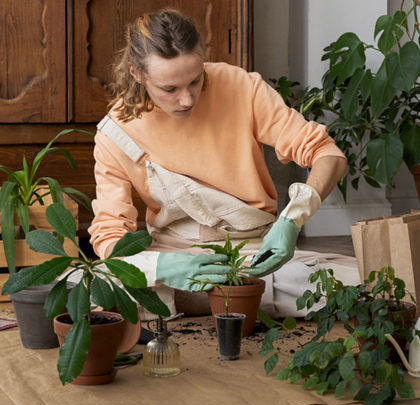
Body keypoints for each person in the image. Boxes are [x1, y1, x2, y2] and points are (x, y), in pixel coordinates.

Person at [88, 9, 348, 318]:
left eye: (195, 81)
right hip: (172, 256)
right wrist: (159, 267)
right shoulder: (116, 132)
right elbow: (109, 234)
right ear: (136, 73)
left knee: (361, 285)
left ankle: (209, 298)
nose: (186, 99)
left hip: (254, 254)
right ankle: (239, 297)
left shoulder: (241, 87)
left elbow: (328, 154)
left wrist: (292, 220)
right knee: (87, 288)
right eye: (169, 89)